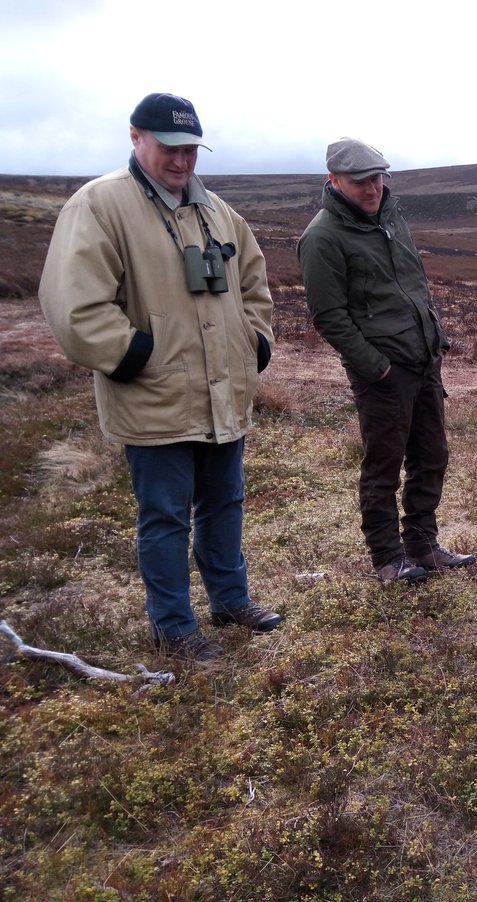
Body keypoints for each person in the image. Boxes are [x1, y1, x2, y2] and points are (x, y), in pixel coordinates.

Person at [38, 92, 281, 662]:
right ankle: (172, 627)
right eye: (169, 147)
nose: (182, 161)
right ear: (135, 137)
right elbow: (74, 305)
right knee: (166, 516)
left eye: (192, 149)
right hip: (154, 396)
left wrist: (255, 343)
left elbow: (255, 287)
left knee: (225, 503)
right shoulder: (98, 206)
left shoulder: (219, 213)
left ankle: (230, 600)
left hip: (223, 390)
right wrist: (132, 357)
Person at [297, 138, 474, 585]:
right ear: (335, 180)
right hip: (383, 373)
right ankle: (388, 558)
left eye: (378, 178)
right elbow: (330, 317)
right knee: (384, 464)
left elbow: (414, 284)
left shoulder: (391, 218)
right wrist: (376, 367)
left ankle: (422, 545)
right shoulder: (321, 238)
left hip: (423, 359)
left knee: (431, 455)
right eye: (362, 181)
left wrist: (435, 335)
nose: (373, 188)